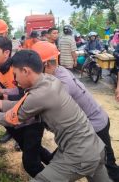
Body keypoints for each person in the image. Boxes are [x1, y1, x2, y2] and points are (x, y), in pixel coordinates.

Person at [0, 49, 111, 182]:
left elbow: (10, 119)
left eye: (15, 75)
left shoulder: (39, 95)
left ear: (25, 71)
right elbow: (19, 105)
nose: (15, 80)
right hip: (95, 147)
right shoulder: (49, 81)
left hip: (80, 155)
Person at [32, 41, 119, 181]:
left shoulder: (61, 84)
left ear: (46, 64)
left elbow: (45, 106)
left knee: (108, 167)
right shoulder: (59, 70)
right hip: (92, 121)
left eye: (34, 67)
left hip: (95, 125)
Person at [0, 36, 52, 177]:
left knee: (30, 163)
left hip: (30, 121)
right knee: (34, 149)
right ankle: (55, 167)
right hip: (14, 121)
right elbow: (1, 81)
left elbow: (24, 98)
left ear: (7, 53)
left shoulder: (18, 69)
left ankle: (53, 177)